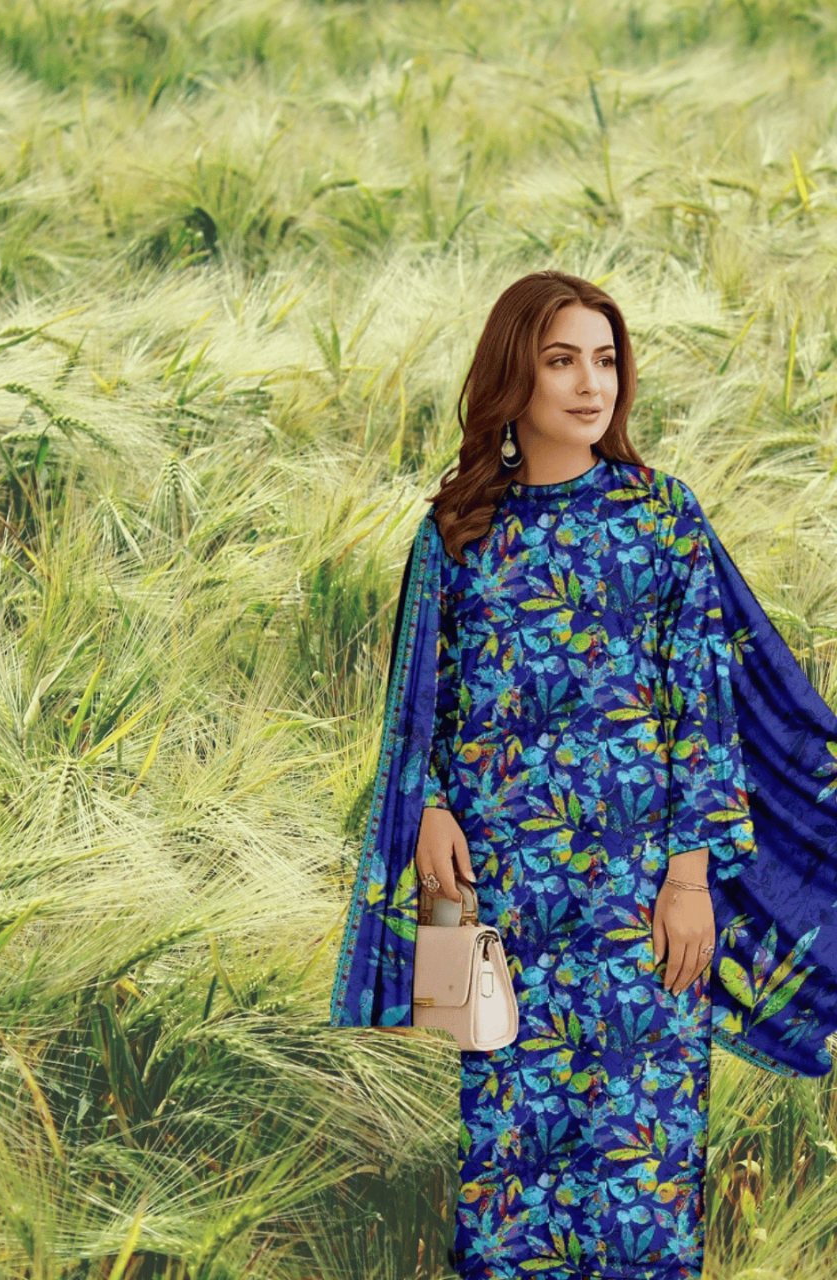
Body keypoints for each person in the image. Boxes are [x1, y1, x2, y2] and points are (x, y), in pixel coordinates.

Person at [330, 270, 837, 1280]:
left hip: (639, 902)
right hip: (504, 897)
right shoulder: (458, 530)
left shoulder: (660, 516)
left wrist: (690, 880)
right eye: (561, 359)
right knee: (510, 1164)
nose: (588, 382)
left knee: (641, 1169)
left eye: (604, 359)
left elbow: (701, 704)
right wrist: (429, 805)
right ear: (513, 373)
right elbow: (427, 697)